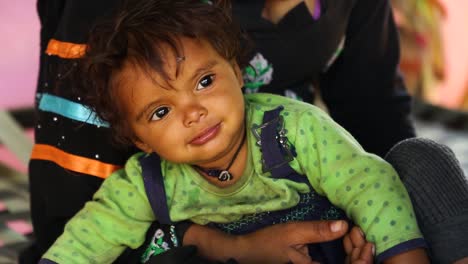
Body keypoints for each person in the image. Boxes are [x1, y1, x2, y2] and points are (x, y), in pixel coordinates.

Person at [24, 0, 468, 263]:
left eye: (204, 82)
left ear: (237, 72)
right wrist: (222, 246)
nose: (193, 112)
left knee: (422, 159)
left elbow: (368, 174)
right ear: (138, 140)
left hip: (343, 227)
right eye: (161, 111)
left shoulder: (291, 128)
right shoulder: (149, 181)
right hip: (220, 249)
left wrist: (387, 245)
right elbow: (87, 234)